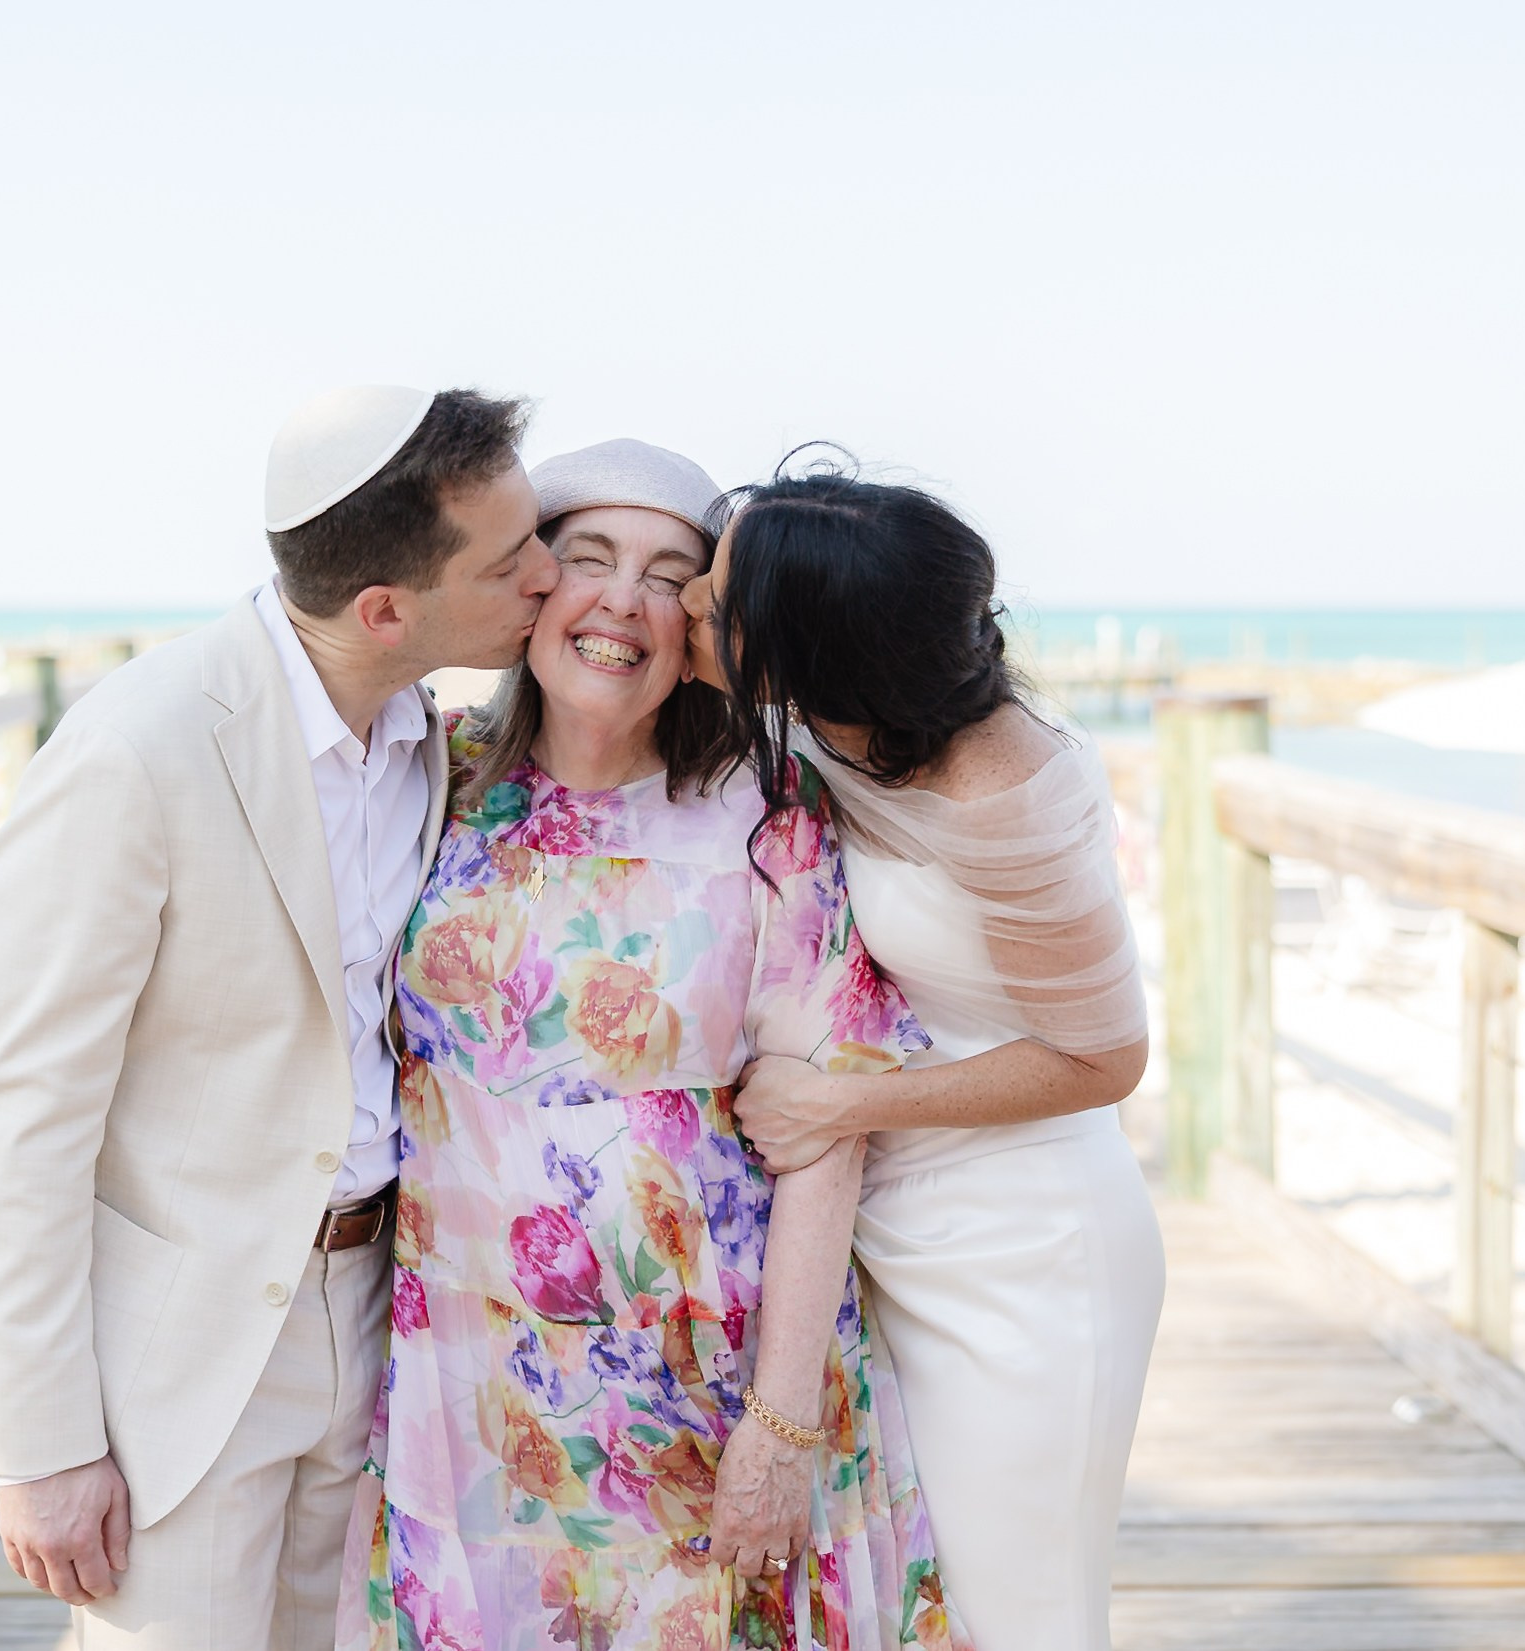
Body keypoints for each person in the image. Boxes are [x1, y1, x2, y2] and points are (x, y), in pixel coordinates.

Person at [0, 385, 561, 1649]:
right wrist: (41, 1444)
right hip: (175, 1354)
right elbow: (26, 1114)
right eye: (511, 557)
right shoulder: (134, 753)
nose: (548, 574)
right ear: (385, 608)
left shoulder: (428, 736)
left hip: (378, 1310)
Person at [341, 440, 968, 1650]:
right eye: (588, 559)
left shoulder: (769, 818)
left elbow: (827, 1128)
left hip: (711, 1379)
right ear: (533, 590)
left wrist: (778, 1428)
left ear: (703, 629)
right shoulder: (436, 776)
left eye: (669, 576)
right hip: (470, 1375)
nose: (623, 600)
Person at [682, 461, 1163, 1649]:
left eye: (714, 596)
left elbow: (1104, 1057)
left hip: (1025, 1246)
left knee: (1019, 1615)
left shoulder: (1008, 791)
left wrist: (846, 1103)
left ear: (810, 658)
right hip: (890, 1229)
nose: (688, 599)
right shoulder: (833, 727)